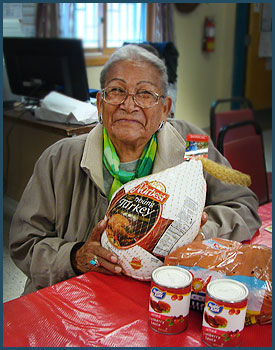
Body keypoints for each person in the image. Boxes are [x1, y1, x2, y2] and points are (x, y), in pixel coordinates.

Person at [9, 44, 261, 295]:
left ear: (165, 108)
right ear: (100, 103)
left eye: (145, 94)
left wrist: (202, 233)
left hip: (158, 295)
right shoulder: (60, 158)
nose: (129, 105)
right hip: (74, 301)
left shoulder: (191, 144)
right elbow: (25, 243)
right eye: (117, 91)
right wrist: (75, 257)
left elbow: (243, 204)